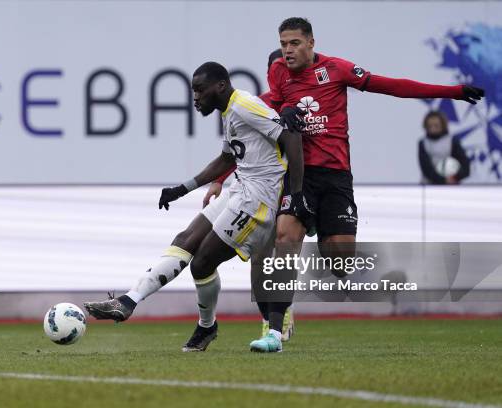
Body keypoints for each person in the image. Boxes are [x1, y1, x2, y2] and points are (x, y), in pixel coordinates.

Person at [214, 17, 485, 353]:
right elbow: (250, 134)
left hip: (336, 178)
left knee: (340, 263)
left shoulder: (337, 70)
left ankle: (319, 232)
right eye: (283, 44)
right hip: (299, 177)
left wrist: (453, 92)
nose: (287, 51)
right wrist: (221, 178)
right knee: (285, 238)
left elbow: (392, 86)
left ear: (311, 42)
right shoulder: (279, 74)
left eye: (294, 43)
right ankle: (274, 329)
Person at [84, 61, 305, 352]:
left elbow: (290, 136)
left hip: (258, 200)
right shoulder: (230, 111)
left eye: (200, 90)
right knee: (184, 240)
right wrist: (182, 188)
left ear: (220, 86)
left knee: (202, 262)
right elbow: (227, 159)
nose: (195, 98)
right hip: (239, 187)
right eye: (193, 91)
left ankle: (207, 327)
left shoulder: (245, 105)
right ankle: (128, 301)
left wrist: (295, 196)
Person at [203, 49, 296, 343]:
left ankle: (280, 317)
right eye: (275, 67)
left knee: (286, 248)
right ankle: (271, 322)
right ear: (269, 71)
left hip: (296, 184)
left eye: (284, 67)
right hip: (264, 190)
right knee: (260, 259)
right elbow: (238, 149)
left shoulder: (307, 99)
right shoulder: (259, 104)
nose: (280, 72)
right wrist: (218, 181)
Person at [418, 110, 470, 184]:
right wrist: (442, 180)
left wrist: (455, 177)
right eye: (430, 126)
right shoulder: (423, 143)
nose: (432, 129)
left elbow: (465, 167)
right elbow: (426, 168)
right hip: (428, 186)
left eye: (436, 126)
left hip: (450, 186)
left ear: (443, 125)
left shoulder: (452, 141)